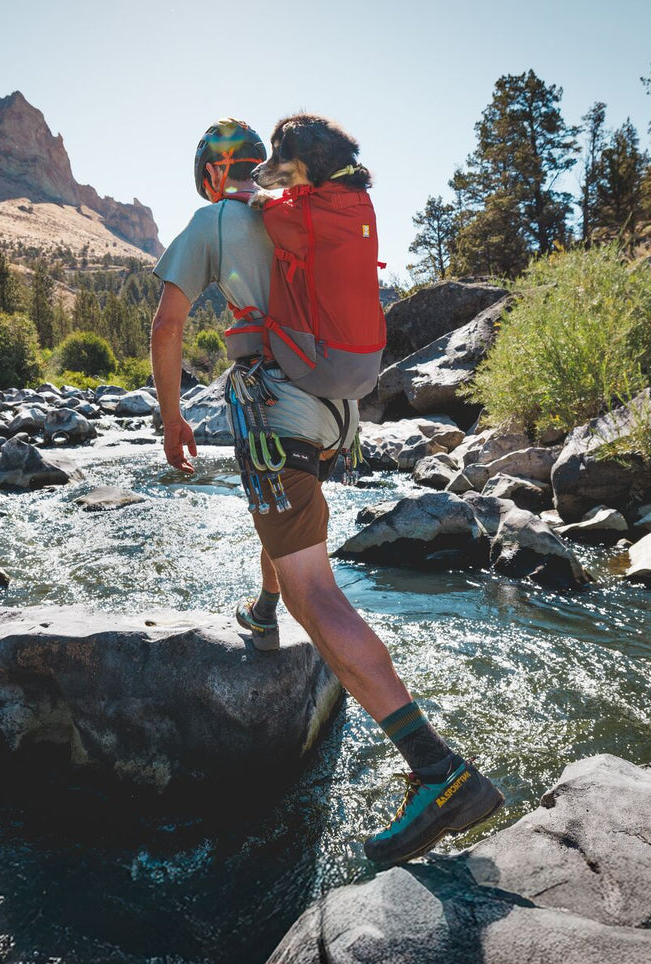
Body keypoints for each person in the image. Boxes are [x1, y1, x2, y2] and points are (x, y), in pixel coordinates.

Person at [149, 117, 504, 866]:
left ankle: (440, 773)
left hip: (273, 394)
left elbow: (167, 322)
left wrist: (171, 415)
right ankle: (264, 603)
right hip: (334, 402)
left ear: (209, 174)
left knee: (321, 592)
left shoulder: (216, 216)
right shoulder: (301, 208)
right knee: (288, 532)